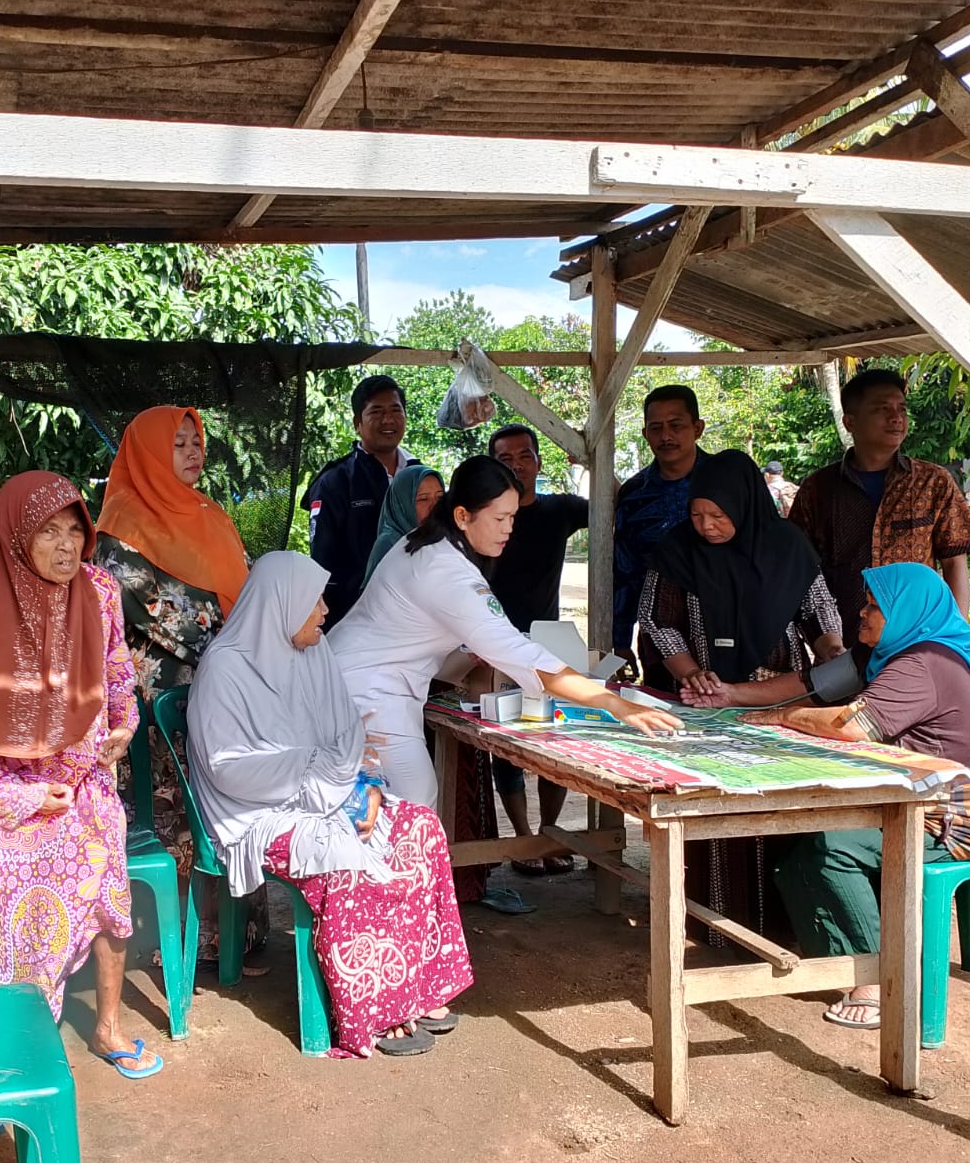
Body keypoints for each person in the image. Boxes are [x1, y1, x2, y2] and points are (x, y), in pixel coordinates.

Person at [187, 551, 474, 1057]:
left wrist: (366, 787)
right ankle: (373, 1010)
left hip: (329, 794)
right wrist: (316, 772)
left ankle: (420, 987)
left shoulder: (313, 653)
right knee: (345, 857)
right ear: (283, 603)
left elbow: (350, 736)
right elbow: (227, 767)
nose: (324, 610)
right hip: (256, 813)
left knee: (422, 828)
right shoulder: (226, 671)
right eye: (314, 600)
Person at [0, 471, 160, 1078]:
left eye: (75, 531)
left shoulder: (101, 591)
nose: (66, 546)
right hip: (14, 805)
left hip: (88, 788)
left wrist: (121, 729)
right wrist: (27, 793)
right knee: (2, 921)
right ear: (14, 538)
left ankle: (108, 1028)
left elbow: (118, 676)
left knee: (113, 899)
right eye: (47, 532)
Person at [748, 563, 970, 1030]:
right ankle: (844, 963)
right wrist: (739, 697)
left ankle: (878, 979)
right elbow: (816, 687)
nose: (862, 615)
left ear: (908, 610)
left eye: (875, 607)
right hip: (921, 803)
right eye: (866, 604)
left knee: (832, 849)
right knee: (795, 859)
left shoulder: (922, 664)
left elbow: (851, 726)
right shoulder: (889, 655)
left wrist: (782, 718)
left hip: (963, 824)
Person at [330, 456, 682, 808]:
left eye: (512, 516)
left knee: (396, 805)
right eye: (499, 518)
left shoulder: (428, 543)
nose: (508, 528)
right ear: (462, 516)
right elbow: (524, 656)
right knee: (412, 802)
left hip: (359, 683)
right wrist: (614, 704)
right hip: (367, 694)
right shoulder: (445, 570)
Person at [93, 405, 261, 962]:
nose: (192, 452)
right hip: (162, 704)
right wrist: (245, 638)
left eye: (196, 442)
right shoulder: (121, 526)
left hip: (225, 692)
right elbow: (158, 611)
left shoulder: (211, 515)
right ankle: (170, 940)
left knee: (227, 804)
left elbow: (246, 588)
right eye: (178, 443)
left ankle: (230, 935)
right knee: (170, 812)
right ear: (147, 451)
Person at [789, 369, 970, 643]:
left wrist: (955, 637)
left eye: (901, 409)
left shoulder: (933, 482)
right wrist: (822, 640)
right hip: (845, 643)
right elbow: (800, 572)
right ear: (849, 421)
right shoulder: (818, 490)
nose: (896, 418)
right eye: (882, 409)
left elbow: (954, 563)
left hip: (918, 640)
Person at [639, 450, 844, 709]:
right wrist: (690, 674)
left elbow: (817, 606)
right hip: (703, 696)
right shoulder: (677, 549)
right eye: (696, 515)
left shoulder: (788, 545)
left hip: (781, 693)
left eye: (718, 516)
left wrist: (831, 647)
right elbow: (656, 621)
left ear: (744, 505)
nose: (706, 526)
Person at [487, 423, 589, 874]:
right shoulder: (482, 515)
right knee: (504, 745)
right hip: (492, 646)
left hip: (548, 645)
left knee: (553, 743)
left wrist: (588, 459)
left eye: (523, 457)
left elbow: (618, 502)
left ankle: (551, 837)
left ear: (538, 462)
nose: (515, 466)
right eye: (504, 460)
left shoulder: (560, 511)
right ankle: (524, 838)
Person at [613, 384, 710, 689]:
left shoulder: (729, 482)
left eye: (676, 426)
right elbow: (623, 571)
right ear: (645, 434)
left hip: (726, 631)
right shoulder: (633, 494)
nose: (666, 436)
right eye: (656, 428)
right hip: (657, 635)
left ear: (697, 428)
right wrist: (618, 640)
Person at [303, 375, 419, 626]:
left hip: (415, 612)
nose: (388, 419)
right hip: (355, 616)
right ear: (358, 423)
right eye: (376, 411)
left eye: (395, 410)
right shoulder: (336, 481)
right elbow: (322, 558)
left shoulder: (419, 475)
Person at [363, 463, 443, 585]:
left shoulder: (442, 538)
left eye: (440, 497)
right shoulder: (389, 543)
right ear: (402, 504)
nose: (434, 506)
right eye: (423, 499)